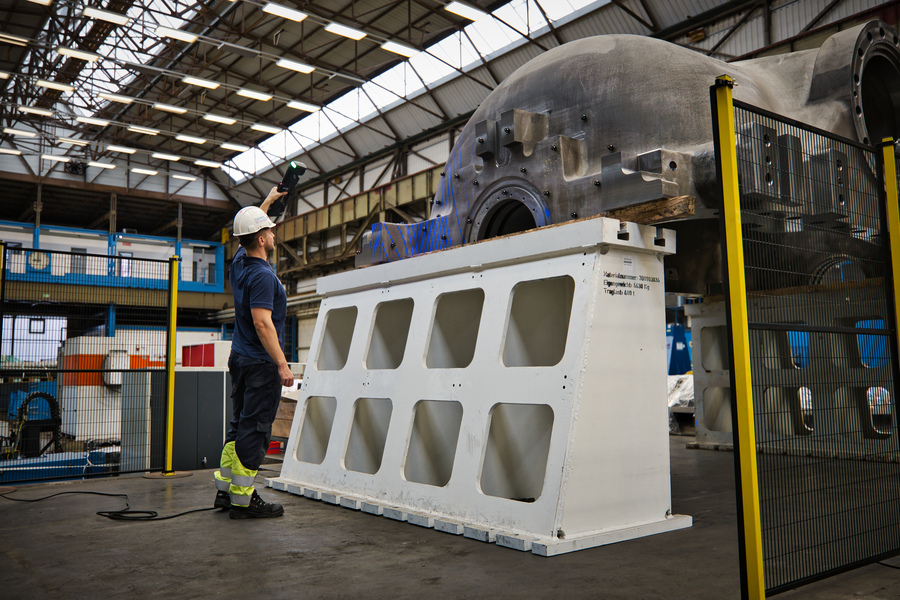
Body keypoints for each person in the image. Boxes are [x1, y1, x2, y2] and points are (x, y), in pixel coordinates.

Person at [214, 186, 294, 518]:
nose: (273, 232)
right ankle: (243, 502)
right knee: (256, 429)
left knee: (238, 425)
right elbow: (264, 324)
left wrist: (268, 202)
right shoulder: (262, 276)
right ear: (260, 240)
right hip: (261, 364)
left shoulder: (240, 265)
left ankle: (225, 492)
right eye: (269, 230)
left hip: (240, 359)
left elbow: (246, 231)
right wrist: (282, 364)